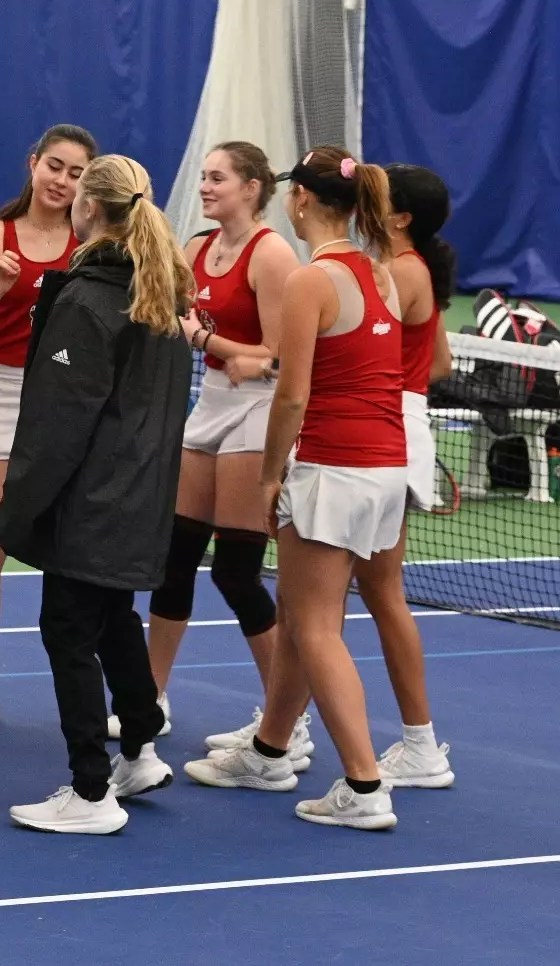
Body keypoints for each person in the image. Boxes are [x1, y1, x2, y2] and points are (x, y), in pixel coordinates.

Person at [185, 146, 403, 832]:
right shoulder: (384, 275)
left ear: (299, 201)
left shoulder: (313, 280)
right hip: (384, 470)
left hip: (331, 469)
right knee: (307, 613)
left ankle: (365, 786)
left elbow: (291, 396)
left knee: (313, 628)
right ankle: (270, 749)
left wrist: (274, 470)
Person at [0, 155, 196, 835]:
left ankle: (89, 790)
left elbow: (59, 423)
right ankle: (138, 749)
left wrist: (19, 508)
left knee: (67, 631)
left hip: (96, 501)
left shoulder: (89, 301)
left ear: (89, 208)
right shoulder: (160, 292)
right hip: (140, 497)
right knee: (112, 617)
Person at [134, 143, 300, 748]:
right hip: (210, 408)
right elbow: (166, 316)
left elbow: (278, 359)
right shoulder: (198, 249)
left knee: (235, 573)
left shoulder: (272, 254)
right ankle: (147, 700)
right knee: (174, 563)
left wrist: (210, 341)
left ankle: (289, 718)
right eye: (203, 176)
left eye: (218, 178)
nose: (205, 187)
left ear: (252, 188)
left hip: (258, 415)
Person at [0, 124, 95, 729]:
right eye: (54, 166)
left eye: (76, 172)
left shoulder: (88, 247)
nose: (62, 180)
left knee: (74, 549)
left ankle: (87, 681)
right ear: (33, 164)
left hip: (64, 400)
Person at [352, 162, 458, 790]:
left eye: (382, 196)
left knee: (361, 594)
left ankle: (419, 746)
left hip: (378, 434)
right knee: (368, 592)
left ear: (401, 218)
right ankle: (284, 732)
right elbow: (438, 362)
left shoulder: (398, 273)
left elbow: (359, 351)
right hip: (394, 427)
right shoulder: (409, 270)